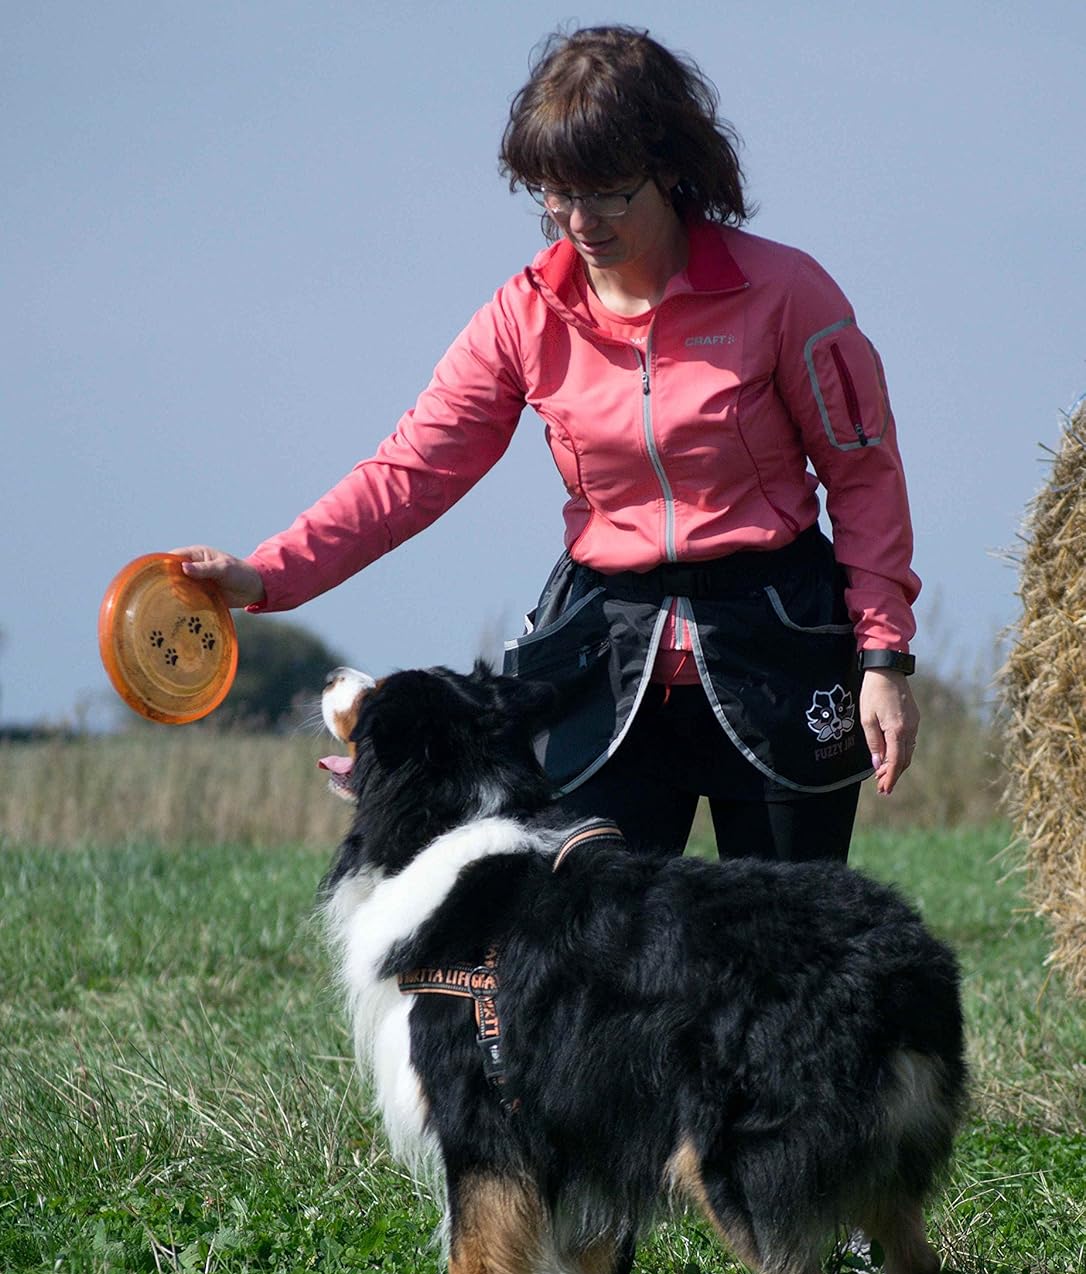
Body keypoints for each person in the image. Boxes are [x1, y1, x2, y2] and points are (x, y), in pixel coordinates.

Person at [175, 25, 920, 863]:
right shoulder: (521, 313)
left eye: (606, 193)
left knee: (786, 951)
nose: (577, 221)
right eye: (554, 195)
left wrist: (884, 656)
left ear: (671, 168)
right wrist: (269, 573)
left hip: (778, 651)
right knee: (595, 963)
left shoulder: (788, 292)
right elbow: (411, 471)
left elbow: (865, 479)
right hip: (602, 661)